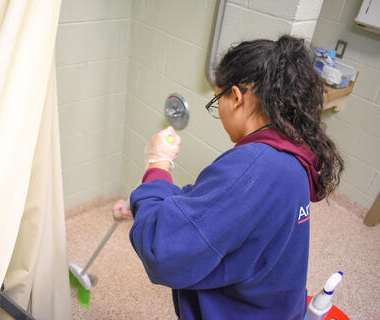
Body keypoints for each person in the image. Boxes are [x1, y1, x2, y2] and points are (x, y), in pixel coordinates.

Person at [113, 35, 344, 319]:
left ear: (236, 96)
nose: (218, 110)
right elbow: (218, 203)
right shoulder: (289, 155)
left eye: (216, 99)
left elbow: (161, 252)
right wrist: (149, 202)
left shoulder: (253, 166)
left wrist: (158, 164)